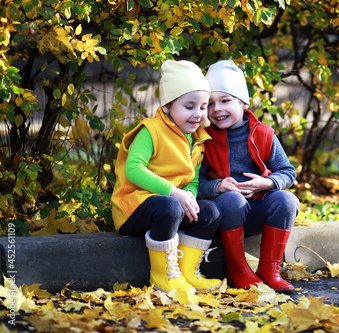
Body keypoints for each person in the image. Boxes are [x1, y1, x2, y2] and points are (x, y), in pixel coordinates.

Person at [111, 60, 222, 294]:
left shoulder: (198, 139)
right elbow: (134, 169)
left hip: (171, 205)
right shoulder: (151, 130)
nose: (198, 114)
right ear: (169, 105)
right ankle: (163, 277)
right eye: (189, 106)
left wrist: (189, 199)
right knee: (169, 206)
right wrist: (175, 193)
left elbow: (191, 180)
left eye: (203, 107)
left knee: (210, 212)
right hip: (134, 208)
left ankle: (187, 273)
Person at [198, 59, 300, 291]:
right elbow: (197, 183)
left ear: (244, 103)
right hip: (225, 214)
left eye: (225, 101)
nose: (217, 110)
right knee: (232, 199)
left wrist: (267, 182)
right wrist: (217, 187)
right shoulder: (203, 138)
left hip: (257, 211)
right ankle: (237, 269)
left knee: (287, 199)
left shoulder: (263, 134)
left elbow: (288, 172)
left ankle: (269, 269)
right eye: (210, 104)